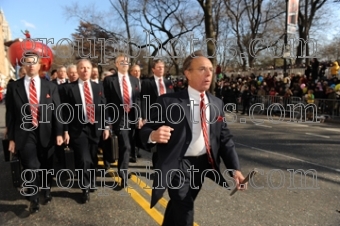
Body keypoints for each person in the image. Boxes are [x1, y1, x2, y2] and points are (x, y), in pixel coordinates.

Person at [140, 50, 246, 226]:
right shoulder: (168, 101)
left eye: (211, 69)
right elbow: (146, 129)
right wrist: (153, 135)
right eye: (202, 69)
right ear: (188, 73)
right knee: (185, 209)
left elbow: (225, 139)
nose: (208, 73)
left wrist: (235, 169)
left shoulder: (217, 103)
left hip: (202, 165)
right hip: (177, 164)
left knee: (178, 206)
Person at [6, 52, 64, 213]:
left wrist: (59, 133)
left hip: (47, 132)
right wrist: (11, 138)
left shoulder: (51, 87)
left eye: (34, 62)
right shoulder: (14, 87)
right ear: (23, 66)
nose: (31, 65)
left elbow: (58, 112)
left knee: (46, 165)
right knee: (30, 166)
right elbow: (10, 114)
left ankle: (46, 189)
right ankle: (34, 198)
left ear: (40, 66)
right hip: (24, 133)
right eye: (28, 62)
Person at [63, 59, 110, 203]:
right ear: (77, 70)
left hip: (95, 128)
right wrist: (65, 131)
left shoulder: (98, 87)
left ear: (91, 70)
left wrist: (106, 126)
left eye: (87, 68)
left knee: (92, 158)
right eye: (82, 68)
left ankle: (91, 179)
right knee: (83, 158)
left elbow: (104, 107)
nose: (85, 70)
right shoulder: (69, 88)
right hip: (78, 129)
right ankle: (85, 187)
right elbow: (64, 112)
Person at [103, 54, 142, 188]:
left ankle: (122, 166)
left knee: (128, 145)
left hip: (132, 116)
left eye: (127, 61)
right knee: (126, 145)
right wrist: (108, 122)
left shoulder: (135, 81)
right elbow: (106, 102)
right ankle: (123, 174)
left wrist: (139, 117)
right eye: (122, 61)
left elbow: (137, 100)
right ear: (116, 64)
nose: (125, 63)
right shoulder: (109, 81)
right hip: (119, 117)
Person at [140, 59, 174, 167]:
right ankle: (157, 166)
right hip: (154, 115)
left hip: (168, 115)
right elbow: (144, 100)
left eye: (162, 67)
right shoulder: (146, 82)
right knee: (157, 141)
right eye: (159, 67)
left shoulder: (168, 82)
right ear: (153, 69)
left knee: (167, 140)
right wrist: (144, 116)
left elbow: (173, 98)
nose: (161, 69)